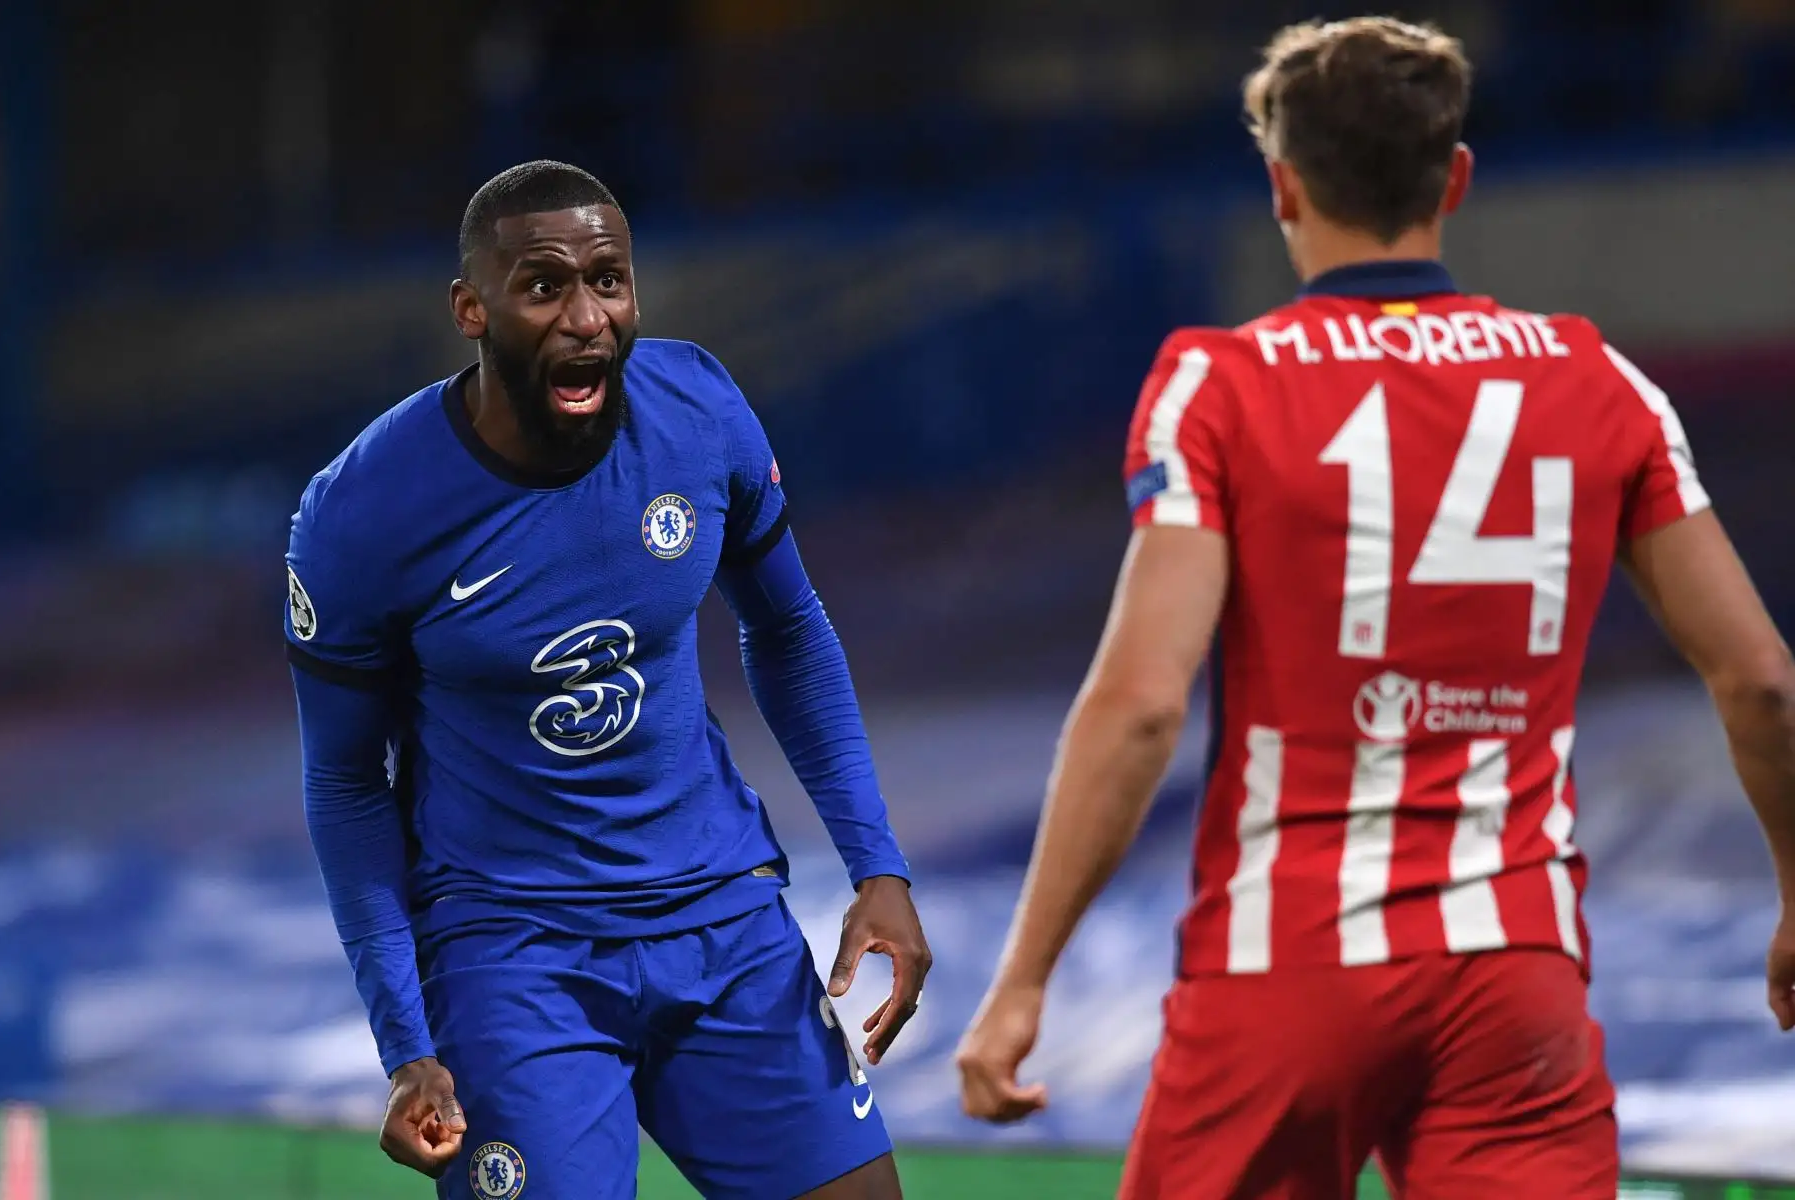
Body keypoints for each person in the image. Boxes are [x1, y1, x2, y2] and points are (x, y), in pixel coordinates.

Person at [955, 16, 1795, 1199]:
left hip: (1283, 966)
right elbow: (1760, 679)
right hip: (1518, 975)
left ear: (1282, 186)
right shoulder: (1600, 379)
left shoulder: (1218, 384)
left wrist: (1025, 978)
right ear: (1454, 178)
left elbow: (1142, 706)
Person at [286, 160, 928, 1200]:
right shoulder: (362, 515)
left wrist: (878, 868)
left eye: (610, 281)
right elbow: (347, 784)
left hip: (724, 921)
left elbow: (791, 630)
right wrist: (407, 1046)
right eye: (544, 287)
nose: (588, 318)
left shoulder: (699, 410)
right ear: (471, 310)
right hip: (513, 959)